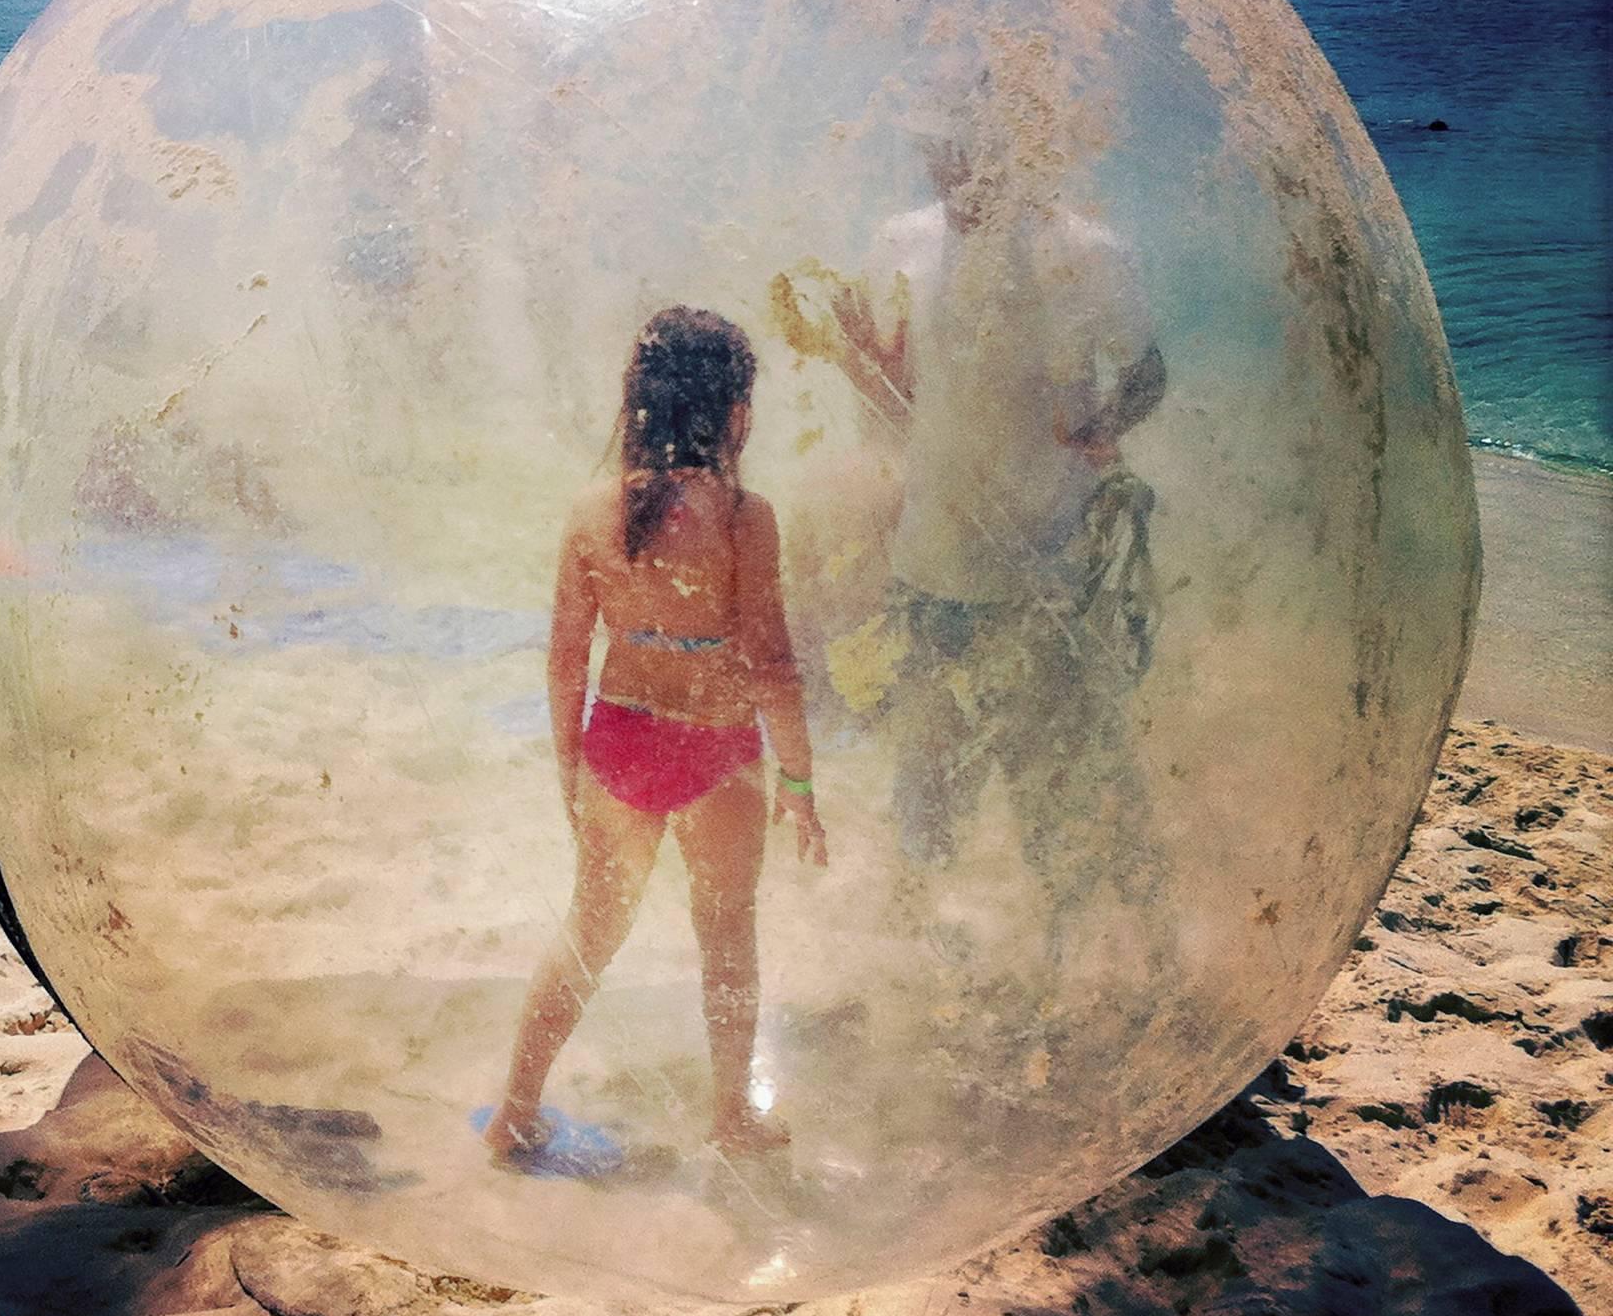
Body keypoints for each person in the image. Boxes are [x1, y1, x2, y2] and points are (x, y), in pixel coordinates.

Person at [484, 308, 827, 1165]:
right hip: (715, 750)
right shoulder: (746, 517)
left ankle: (514, 1112)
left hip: (621, 743)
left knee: (588, 935)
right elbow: (774, 663)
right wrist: (799, 781)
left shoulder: (591, 511)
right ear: (730, 409)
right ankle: (731, 1118)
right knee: (726, 938)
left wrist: (571, 767)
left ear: (638, 400)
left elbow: (566, 660)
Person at [814, 135, 1165, 869]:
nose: (956, 185)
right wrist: (866, 370)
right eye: (944, 165)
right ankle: (920, 937)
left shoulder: (1089, 254)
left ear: (1022, 155)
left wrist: (1099, 430)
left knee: (1051, 789)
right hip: (931, 557)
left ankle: (1058, 947)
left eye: (975, 164)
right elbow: (895, 404)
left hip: (1055, 568)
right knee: (928, 782)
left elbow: (1146, 372)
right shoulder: (901, 242)